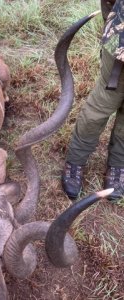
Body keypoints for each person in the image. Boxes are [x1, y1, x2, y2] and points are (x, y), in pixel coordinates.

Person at [62, 0, 124, 201]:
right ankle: (76, 161)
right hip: (121, 43)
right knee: (101, 105)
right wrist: (113, 22)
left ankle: (118, 165)